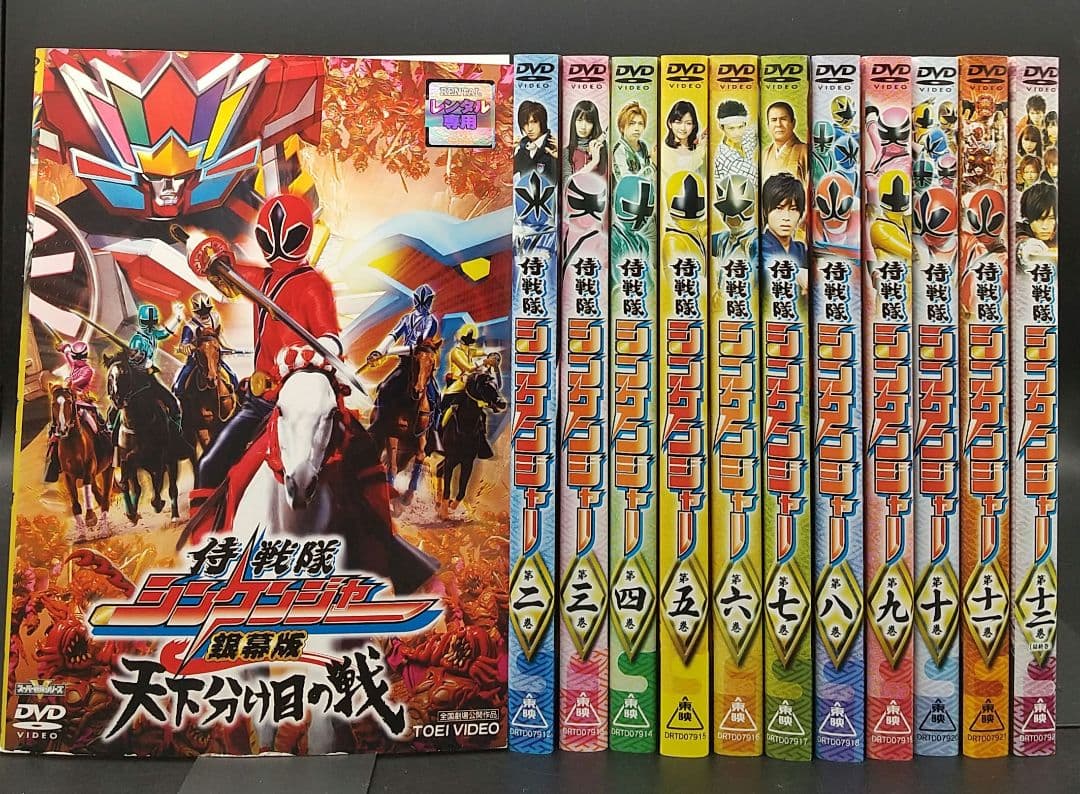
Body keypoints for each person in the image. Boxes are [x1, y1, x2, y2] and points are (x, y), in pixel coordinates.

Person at [186, 193, 342, 507]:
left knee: (353, 466)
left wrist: (311, 354)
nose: (279, 246)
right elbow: (227, 274)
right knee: (209, 466)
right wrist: (208, 256)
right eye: (271, 238)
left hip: (302, 402)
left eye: (288, 237)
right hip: (260, 401)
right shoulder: (262, 280)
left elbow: (329, 338)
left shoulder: (314, 285)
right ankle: (203, 535)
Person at [44, 340, 109, 482]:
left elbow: (74, 384)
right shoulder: (74, 363)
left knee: (96, 427)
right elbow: (67, 353)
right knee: (54, 431)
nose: (77, 360)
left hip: (83, 404)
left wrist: (69, 383)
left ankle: (103, 450)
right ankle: (54, 465)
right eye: (75, 357)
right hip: (69, 404)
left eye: (79, 357)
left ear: (84, 357)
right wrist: (64, 347)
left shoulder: (88, 371)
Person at [171, 291, 238, 397]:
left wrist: (226, 348)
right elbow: (184, 343)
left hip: (213, 354)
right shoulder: (190, 326)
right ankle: (179, 391)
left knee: (232, 376)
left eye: (206, 311)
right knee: (183, 379)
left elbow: (219, 335)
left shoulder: (215, 317)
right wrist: (186, 347)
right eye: (201, 312)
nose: (204, 314)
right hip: (197, 356)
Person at [760, 172, 807, 294]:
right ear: (765, 211)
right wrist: (797, 274)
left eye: (793, 209)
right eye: (779, 208)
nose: (786, 217)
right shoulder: (757, 245)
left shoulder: (800, 250)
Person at [762, 101, 808, 183]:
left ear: (793, 123)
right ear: (768, 125)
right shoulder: (765, 154)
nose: (778, 124)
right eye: (774, 120)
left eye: (783, 119)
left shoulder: (805, 152)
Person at [513, 100, 558, 179]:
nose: (529, 128)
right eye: (525, 123)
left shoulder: (553, 146)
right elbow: (506, 174)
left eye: (534, 122)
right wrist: (509, 151)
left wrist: (559, 158)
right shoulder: (523, 148)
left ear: (542, 122)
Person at [712, 99, 756, 182]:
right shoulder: (725, 158)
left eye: (740, 127)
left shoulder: (747, 136)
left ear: (745, 124)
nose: (737, 133)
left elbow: (753, 130)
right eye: (731, 128)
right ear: (721, 127)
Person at [611, 101, 653, 181]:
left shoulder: (643, 146)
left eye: (640, 123)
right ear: (622, 127)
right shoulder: (619, 150)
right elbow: (627, 182)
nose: (637, 128)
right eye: (632, 123)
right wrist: (653, 166)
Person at [564, 100, 607, 175]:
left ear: (594, 124)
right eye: (579, 120)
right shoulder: (567, 152)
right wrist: (594, 161)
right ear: (574, 122)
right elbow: (568, 181)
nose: (583, 127)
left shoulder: (603, 147)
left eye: (589, 121)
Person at [663, 100, 704, 171]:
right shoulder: (664, 150)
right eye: (678, 122)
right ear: (670, 123)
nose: (683, 128)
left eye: (688, 123)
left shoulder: (697, 148)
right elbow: (682, 173)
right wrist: (700, 150)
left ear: (694, 125)